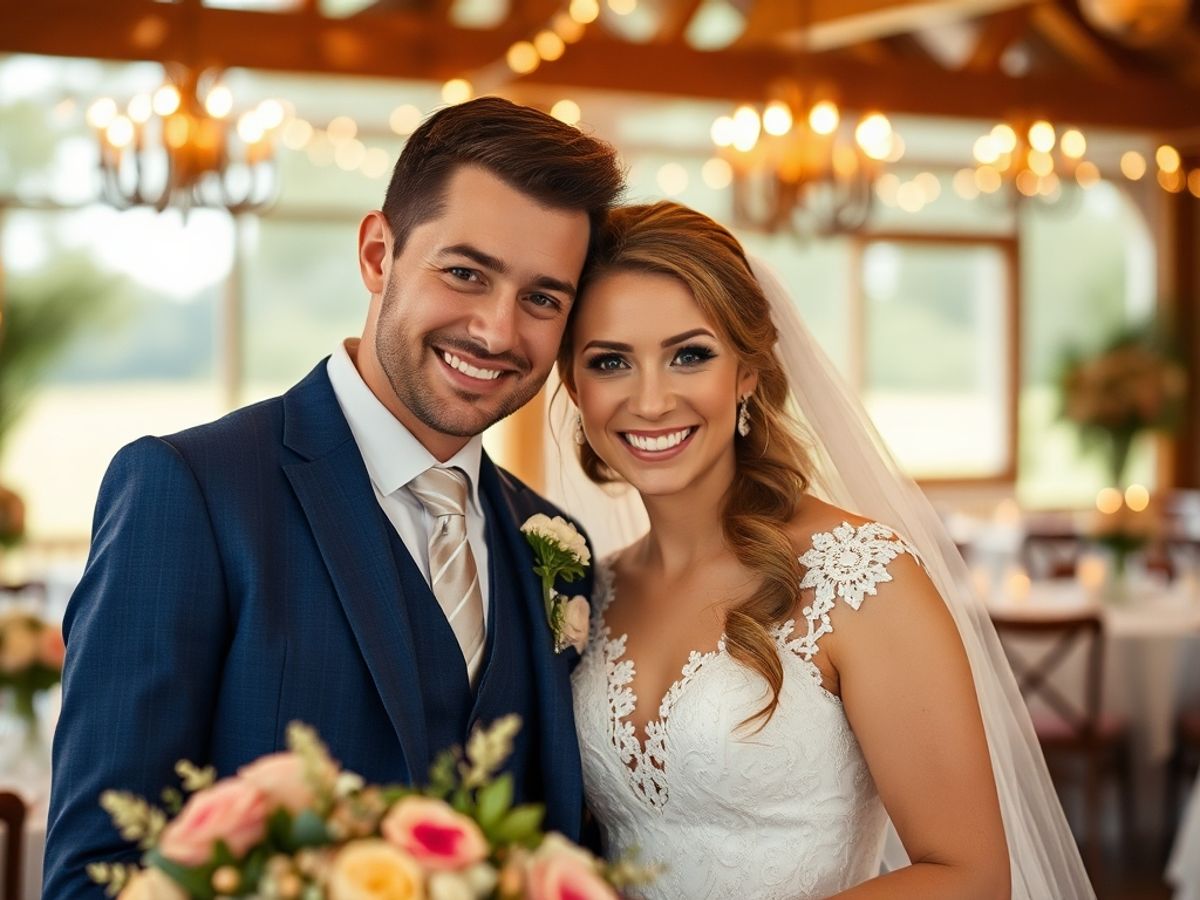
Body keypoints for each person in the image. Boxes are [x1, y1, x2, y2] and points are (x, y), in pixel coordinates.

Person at [44, 97, 624, 897]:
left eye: (542, 299)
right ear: (379, 254)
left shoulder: (554, 542)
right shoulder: (189, 493)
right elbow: (94, 874)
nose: (496, 332)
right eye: (465, 273)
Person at [554, 201, 1095, 898]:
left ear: (747, 371)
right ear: (575, 384)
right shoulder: (589, 591)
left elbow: (969, 875)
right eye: (611, 362)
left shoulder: (862, 576)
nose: (652, 400)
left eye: (690, 355)